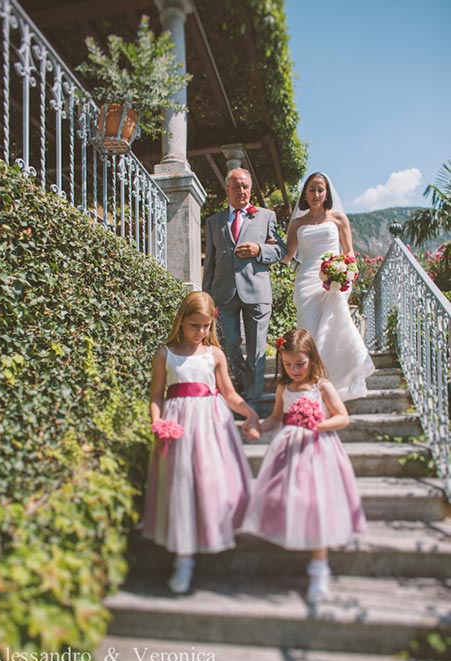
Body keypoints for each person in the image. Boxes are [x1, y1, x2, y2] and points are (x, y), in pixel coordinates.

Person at [143, 291, 259, 594]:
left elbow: (229, 394)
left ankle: (214, 536)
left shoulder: (214, 356)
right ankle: (183, 560)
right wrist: (157, 422)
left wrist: (249, 412)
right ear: (181, 321)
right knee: (181, 486)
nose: (201, 332)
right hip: (178, 427)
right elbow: (156, 394)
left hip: (211, 428)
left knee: (209, 483)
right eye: (195, 325)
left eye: (207, 326)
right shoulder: (164, 354)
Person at [241, 329, 366, 603]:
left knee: (317, 503)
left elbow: (342, 417)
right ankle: (292, 539)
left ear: (311, 358)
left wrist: (317, 424)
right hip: (288, 450)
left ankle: (319, 567)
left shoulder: (322, 386)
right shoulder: (284, 388)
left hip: (318, 450)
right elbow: (277, 418)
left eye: (300, 364)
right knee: (291, 500)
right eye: (287, 364)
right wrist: (259, 429)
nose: (294, 370)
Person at [284, 172, 374, 401]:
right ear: (305, 193)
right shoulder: (297, 224)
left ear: (327, 193)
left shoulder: (339, 219)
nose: (316, 194)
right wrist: (265, 248)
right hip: (306, 282)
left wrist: (346, 273)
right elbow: (288, 256)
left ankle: (337, 381)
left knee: (334, 328)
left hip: (334, 283)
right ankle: (312, 383)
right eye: (311, 189)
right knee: (310, 331)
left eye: (320, 189)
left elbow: (349, 252)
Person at [202, 167, 287, 402]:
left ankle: (254, 398)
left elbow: (281, 249)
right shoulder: (213, 221)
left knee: (257, 349)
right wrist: (205, 297)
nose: (242, 190)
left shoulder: (266, 216)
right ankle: (240, 386)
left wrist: (260, 250)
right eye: (237, 186)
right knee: (229, 345)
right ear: (227, 189)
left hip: (257, 292)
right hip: (223, 293)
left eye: (246, 186)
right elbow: (210, 260)